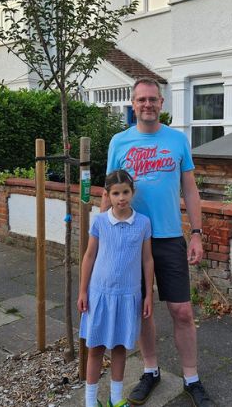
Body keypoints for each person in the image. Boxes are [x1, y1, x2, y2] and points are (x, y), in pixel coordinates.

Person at [104, 78, 215, 406]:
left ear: (161, 103)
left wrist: (196, 233)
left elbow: (191, 190)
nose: (147, 104)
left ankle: (192, 377)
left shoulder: (177, 140)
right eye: (141, 100)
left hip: (168, 238)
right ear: (133, 103)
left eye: (153, 99)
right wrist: (103, 235)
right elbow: (108, 192)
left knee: (181, 311)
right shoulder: (119, 142)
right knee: (141, 310)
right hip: (130, 238)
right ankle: (151, 370)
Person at [78, 170, 154, 407]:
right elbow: (89, 256)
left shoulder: (143, 223)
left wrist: (148, 294)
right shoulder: (100, 221)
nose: (121, 198)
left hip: (128, 295)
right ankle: (90, 401)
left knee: (120, 348)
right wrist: (82, 291)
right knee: (96, 348)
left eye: (126, 192)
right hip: (99, 294)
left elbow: (147, 260)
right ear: (107, 195)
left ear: (133, 193)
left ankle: (116, 399)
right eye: (116, 193)